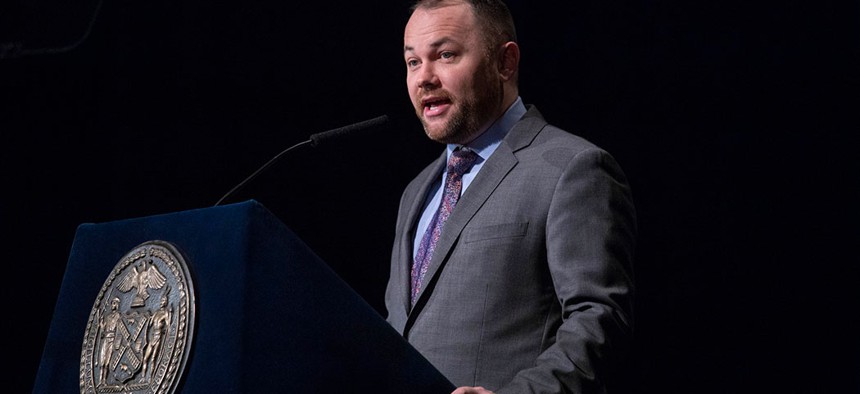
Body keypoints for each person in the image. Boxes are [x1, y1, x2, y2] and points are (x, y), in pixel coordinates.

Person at [384, 1, 637, 393]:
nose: (424, 78)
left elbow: (600, 317)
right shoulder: (416, 191)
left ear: (505, 62)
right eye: (413, 62)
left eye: (445, 55)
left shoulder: (573, 168)